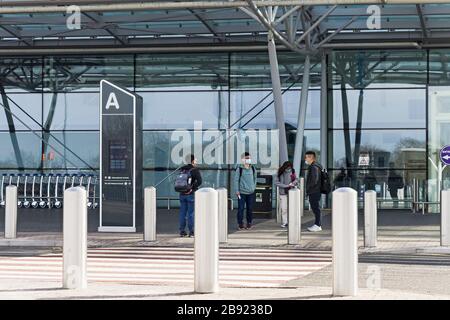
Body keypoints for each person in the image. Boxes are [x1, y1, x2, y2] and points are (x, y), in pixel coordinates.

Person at [177, 154, 202, 237]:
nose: (196, 161)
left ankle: (182, 231)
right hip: (191, 194)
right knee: (191, 213)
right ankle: (191, 232)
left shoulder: (182, 169)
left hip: (182, 193)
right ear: (192, 161)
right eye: (195, 160)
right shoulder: (194, 170)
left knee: (182, 212)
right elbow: (199, 181)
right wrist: (192, 188)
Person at [234, 152, 257, 230]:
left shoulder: (253, 168)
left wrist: (253, 187)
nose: (248, 160)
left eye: (249, 158)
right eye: (247, 158)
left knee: (250, 208)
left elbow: (255, 179)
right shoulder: (239, 169)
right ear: (242, 160)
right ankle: (240, 223)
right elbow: (236, 180)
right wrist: (237, 190)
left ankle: (249, 222)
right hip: (241, 193)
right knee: (240, 209)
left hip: (251, 192)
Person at [275, 161, 298, 228]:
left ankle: (291, 221)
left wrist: (292, 183)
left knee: (291, 207)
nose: (288, 169)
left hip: (291, 192)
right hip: (283, 192)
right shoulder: (280, 172)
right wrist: (286, 186)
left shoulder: (293, 171)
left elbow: (296, 179)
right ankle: (285, 222)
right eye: (287, 168)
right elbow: (276, 182)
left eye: (290, 168)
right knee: (284, 208)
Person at [304, 151, 323, 232]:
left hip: (314, 191)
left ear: (311, 157)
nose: (305, 159)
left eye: (306, 157)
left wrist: (308, 187)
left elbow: (314, 180)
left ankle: (318, 225)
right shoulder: (315, 166)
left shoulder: (314, 167)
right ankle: (317, 224)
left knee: (316, 208)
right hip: (315, 190)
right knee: (315, 208)